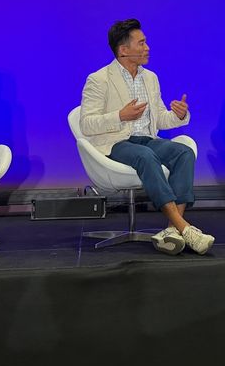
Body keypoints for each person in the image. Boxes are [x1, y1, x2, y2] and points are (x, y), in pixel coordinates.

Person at [79, 19, 214, 255]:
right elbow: (86, 124)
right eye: (141, 43)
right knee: (146, 156)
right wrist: (120, 116)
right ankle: (185, 228)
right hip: (116, 142)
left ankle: (172, 230)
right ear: (123, 50)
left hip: (147, 138)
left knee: (184, 152)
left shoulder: (150, 78)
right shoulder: (99, 79)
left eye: (146, 42)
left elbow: (160, 118)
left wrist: (178, 115)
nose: (147, 47)